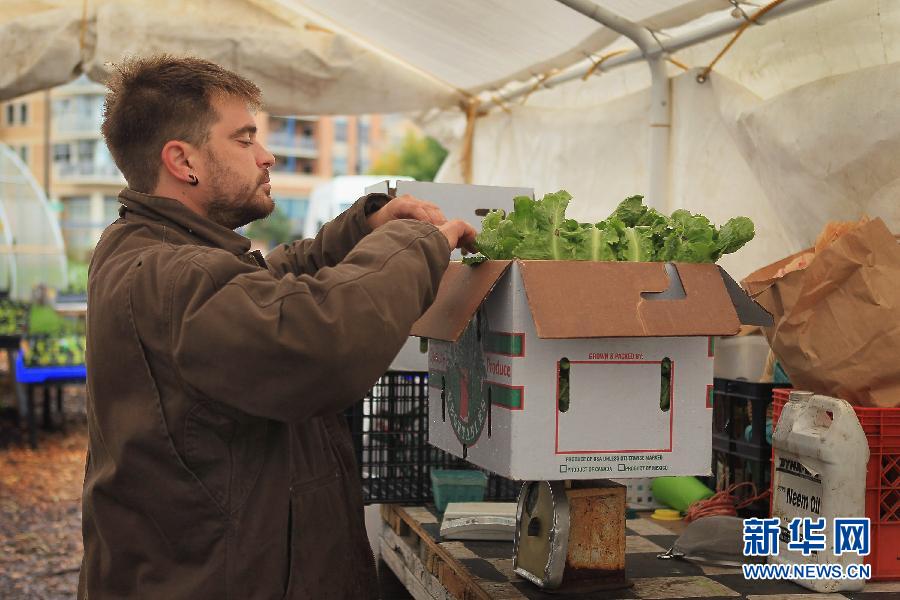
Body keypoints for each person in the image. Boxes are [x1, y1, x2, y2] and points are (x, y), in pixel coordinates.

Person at [78, 54, 476, 599]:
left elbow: (262, 282)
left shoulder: (143, 246)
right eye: (244, 139)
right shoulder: (174, 274)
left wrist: (359, 230)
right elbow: (318, 341)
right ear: (183, 160)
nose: (266, 156)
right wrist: (417, 243)